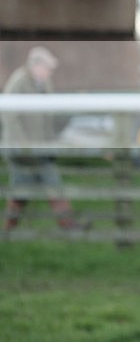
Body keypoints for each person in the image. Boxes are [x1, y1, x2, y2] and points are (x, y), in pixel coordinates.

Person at [2, 46, 84, 231]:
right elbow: (9, 117)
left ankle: (68, 225)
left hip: (40, 150)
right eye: (48, 67)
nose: (50, 72)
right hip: (21, 152)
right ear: (36, 65)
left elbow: (49, 118)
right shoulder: (19, 82)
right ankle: (8, 228)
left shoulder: (45, 85)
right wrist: (22, 144)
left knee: (52, 184)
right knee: (21, 191)